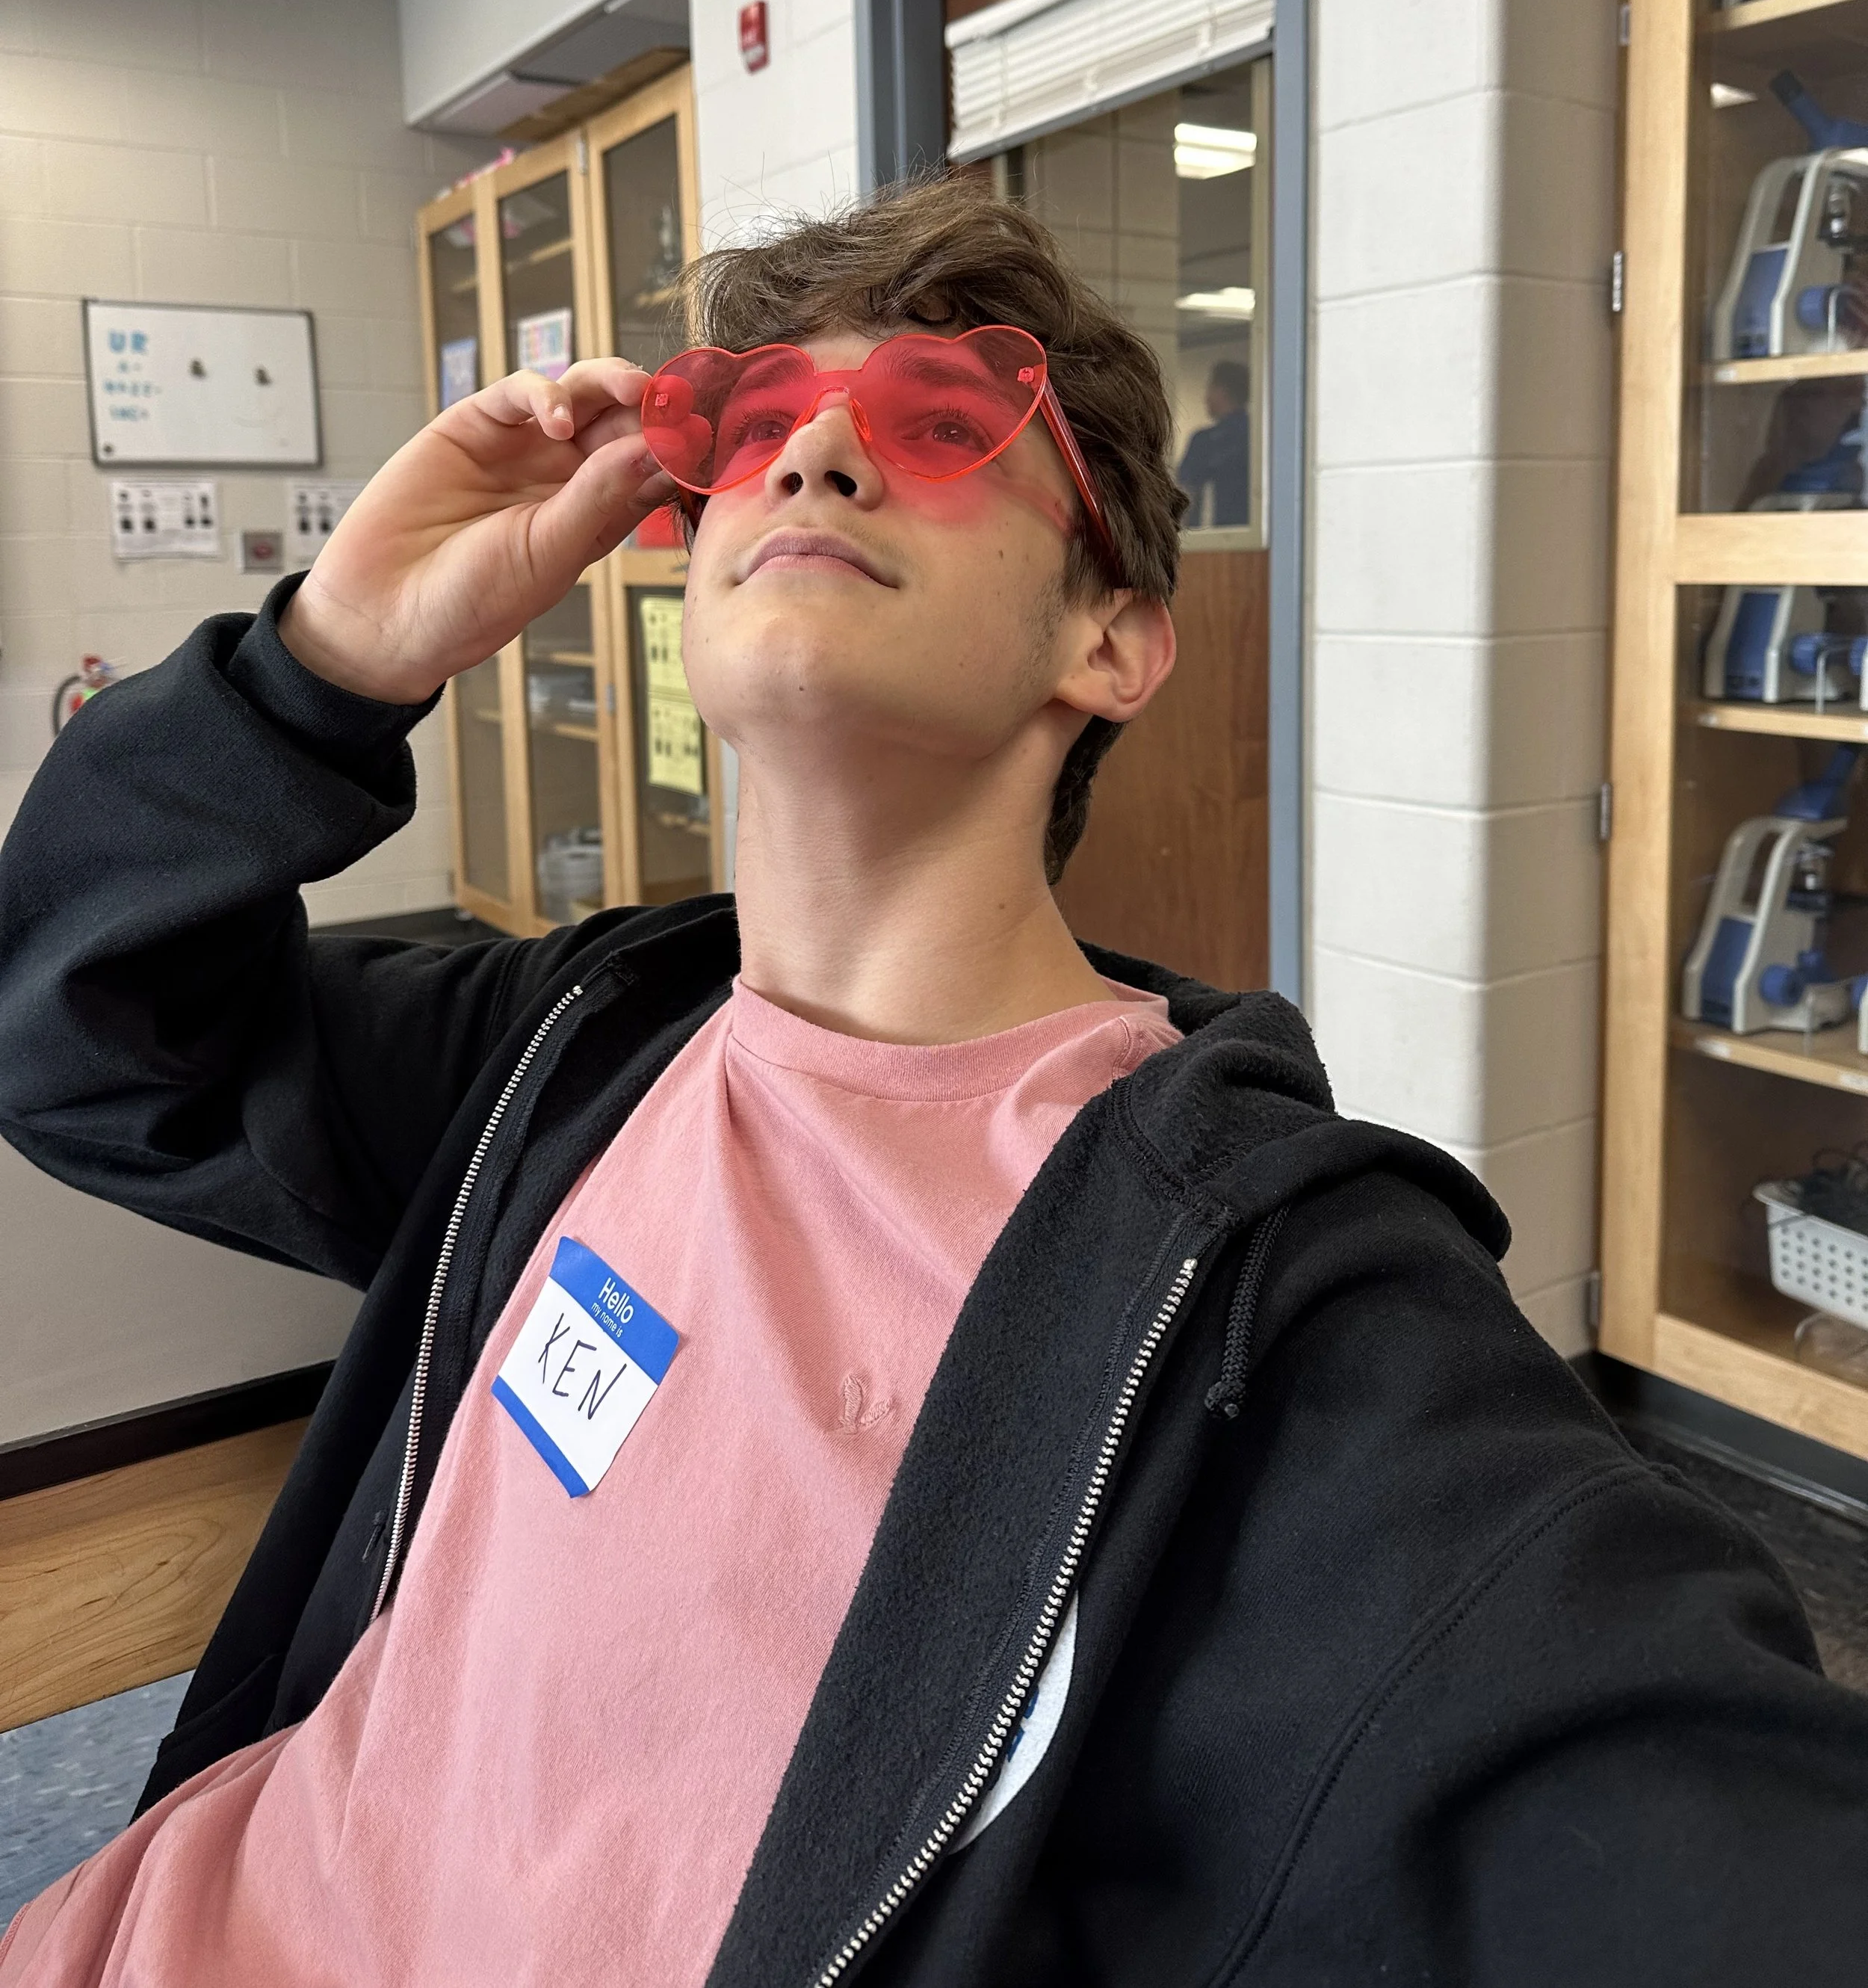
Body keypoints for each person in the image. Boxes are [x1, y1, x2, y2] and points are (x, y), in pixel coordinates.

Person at [0, 174, 1864, 1988]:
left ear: (1113, 638)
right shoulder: (567, 1054)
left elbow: (1667, 1815)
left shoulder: (1257, 1293)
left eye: (945, 420)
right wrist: (322, 666)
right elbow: (81, 1041)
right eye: (754, 428)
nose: (813, 458)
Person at [1174, 354, 1252, 527]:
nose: (1206, 397)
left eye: (1209, 388)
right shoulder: (1259, 438)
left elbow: (1186, 495)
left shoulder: (1205, 441)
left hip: (1213, 539)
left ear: (1221, 390)